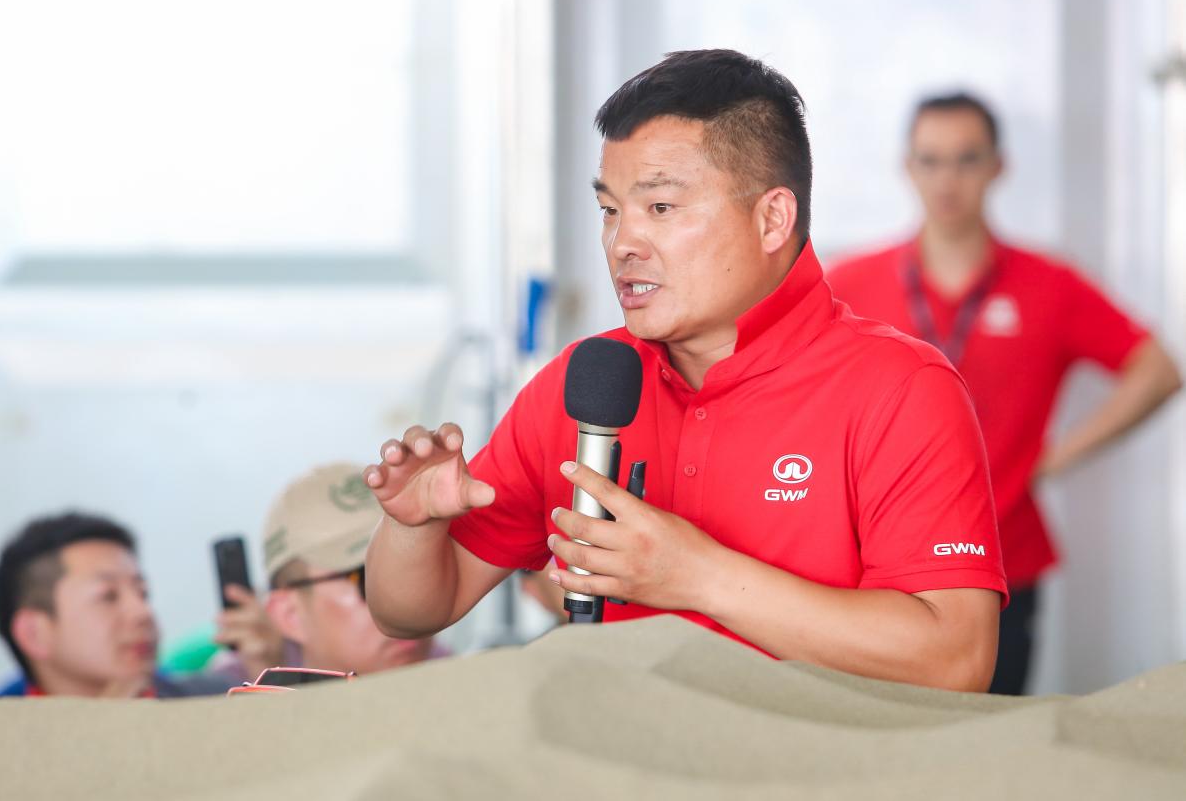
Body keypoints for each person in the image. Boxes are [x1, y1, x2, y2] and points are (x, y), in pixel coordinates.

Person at [364, 49, 1009, 693]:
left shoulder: (900, 388)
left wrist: (698, 575)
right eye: (610, 210)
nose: (622, 244)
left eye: (661, 208)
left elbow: (955, 661)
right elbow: (411, 613)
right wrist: (412, 528)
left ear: (772, 219)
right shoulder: (587, 381)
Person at [825, 93, 1182, 695]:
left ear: (998, 166)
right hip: (873, 568)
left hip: (1003, 564)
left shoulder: (1049, 285)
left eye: (967, 159)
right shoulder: (852, 282)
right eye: (931, 160)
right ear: (908, 168)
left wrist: (1053, 459)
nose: (948, 180)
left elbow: (1159, 370)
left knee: (992, 742)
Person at [214, 463, 442, 677]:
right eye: (368, 579)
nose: (408, 598)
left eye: (411, 564)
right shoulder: (223, 694)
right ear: (290, 615)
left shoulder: (449, 668)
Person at [0, 512, 229, 699]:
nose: (143, 613)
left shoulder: (216, 702)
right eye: (109, 596)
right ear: (34, 633)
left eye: (143, 594)